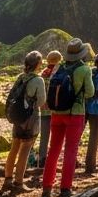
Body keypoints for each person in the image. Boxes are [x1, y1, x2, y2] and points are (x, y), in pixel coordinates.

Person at [40, 38, 95, 197]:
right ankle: (65, 188)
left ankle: (47, 187)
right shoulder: (84, 69)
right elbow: (90, 92)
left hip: (57, 113)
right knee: (70, 150)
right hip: (75, 113)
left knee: (53, 150)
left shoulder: (59, 67)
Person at [1, 50, 46, 194]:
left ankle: (7, 179)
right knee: (25, 149)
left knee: (14, 147)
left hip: (17, 117)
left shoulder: (21, 77)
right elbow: (41, 102)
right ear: (38, 64)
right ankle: (19, 182)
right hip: (31, 117)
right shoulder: (38, 80)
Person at [30, 49, 63, 180]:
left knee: (43, 136)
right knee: (56, 138)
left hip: (42, 109)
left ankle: (41, 161)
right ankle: (51, 162)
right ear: (58, 61)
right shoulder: (58, 72)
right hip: (55, 110)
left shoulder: (43, 73)